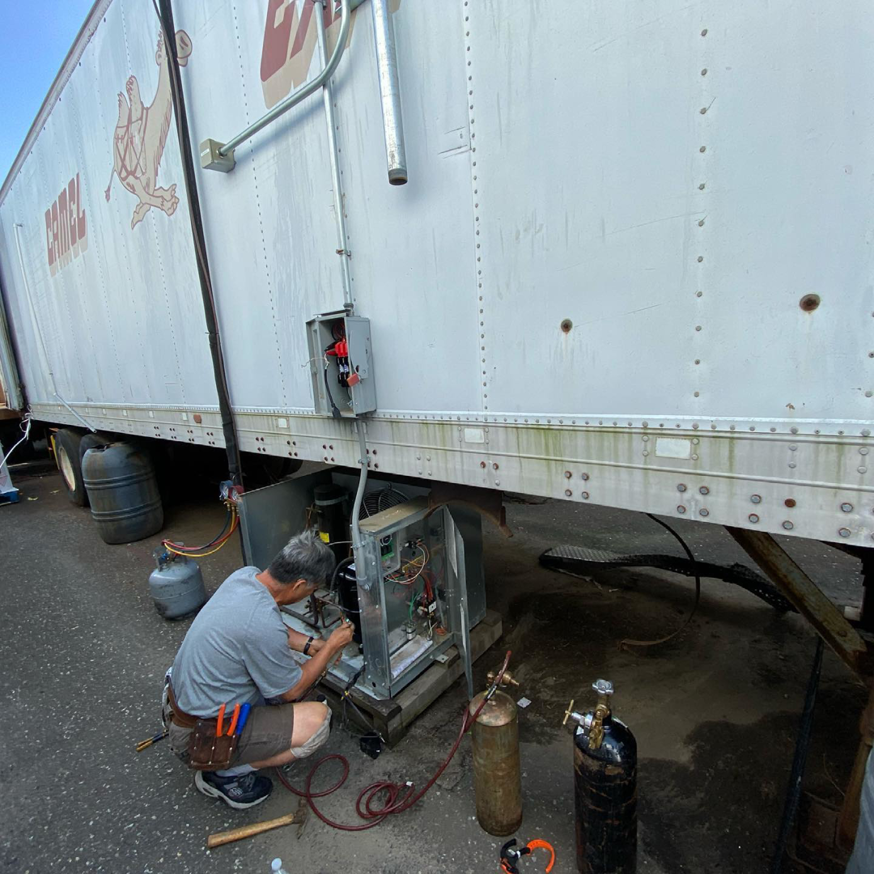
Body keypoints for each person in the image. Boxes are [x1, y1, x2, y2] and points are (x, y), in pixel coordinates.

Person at [165, 531, 354, 809]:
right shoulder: (260, 624)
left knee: (285, 670)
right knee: (317, 722)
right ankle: (221, 773)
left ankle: (230, 752)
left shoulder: (246, 577)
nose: (310, 595)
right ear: (300, 584)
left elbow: (269, 623)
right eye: (311, 590)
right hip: (200, 734)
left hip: (181, 702)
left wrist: (310, 644)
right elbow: (292, 690)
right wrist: (330, 648)